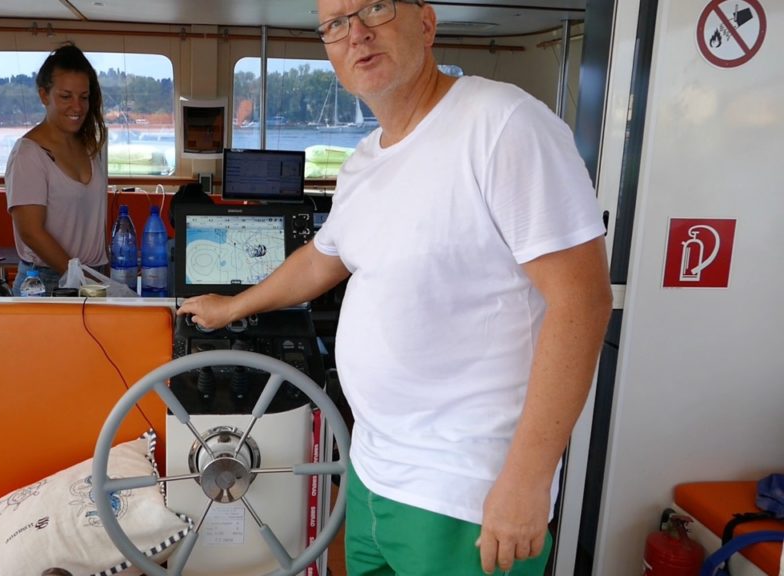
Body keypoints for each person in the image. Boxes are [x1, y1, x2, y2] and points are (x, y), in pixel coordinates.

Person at [177, 0, 613, 574]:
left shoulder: (503, 124)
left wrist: (528, 480)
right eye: (335, 24)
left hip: (465, 491)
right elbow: (321, 260)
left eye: (375, 8)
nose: (356, 34)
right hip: (373, 472)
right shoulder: (365, 161)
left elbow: (583, 301)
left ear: (426, 23)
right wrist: (232, 306)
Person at [6, 43, 108, 295]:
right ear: (44, 95)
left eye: (83, 97)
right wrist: (81, 279)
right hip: (44, 282)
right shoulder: (28, 154)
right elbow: (31, 232)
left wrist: (97, 277)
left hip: (93, 276)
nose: (77, 106)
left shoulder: (90, 146)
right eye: (65, 96)